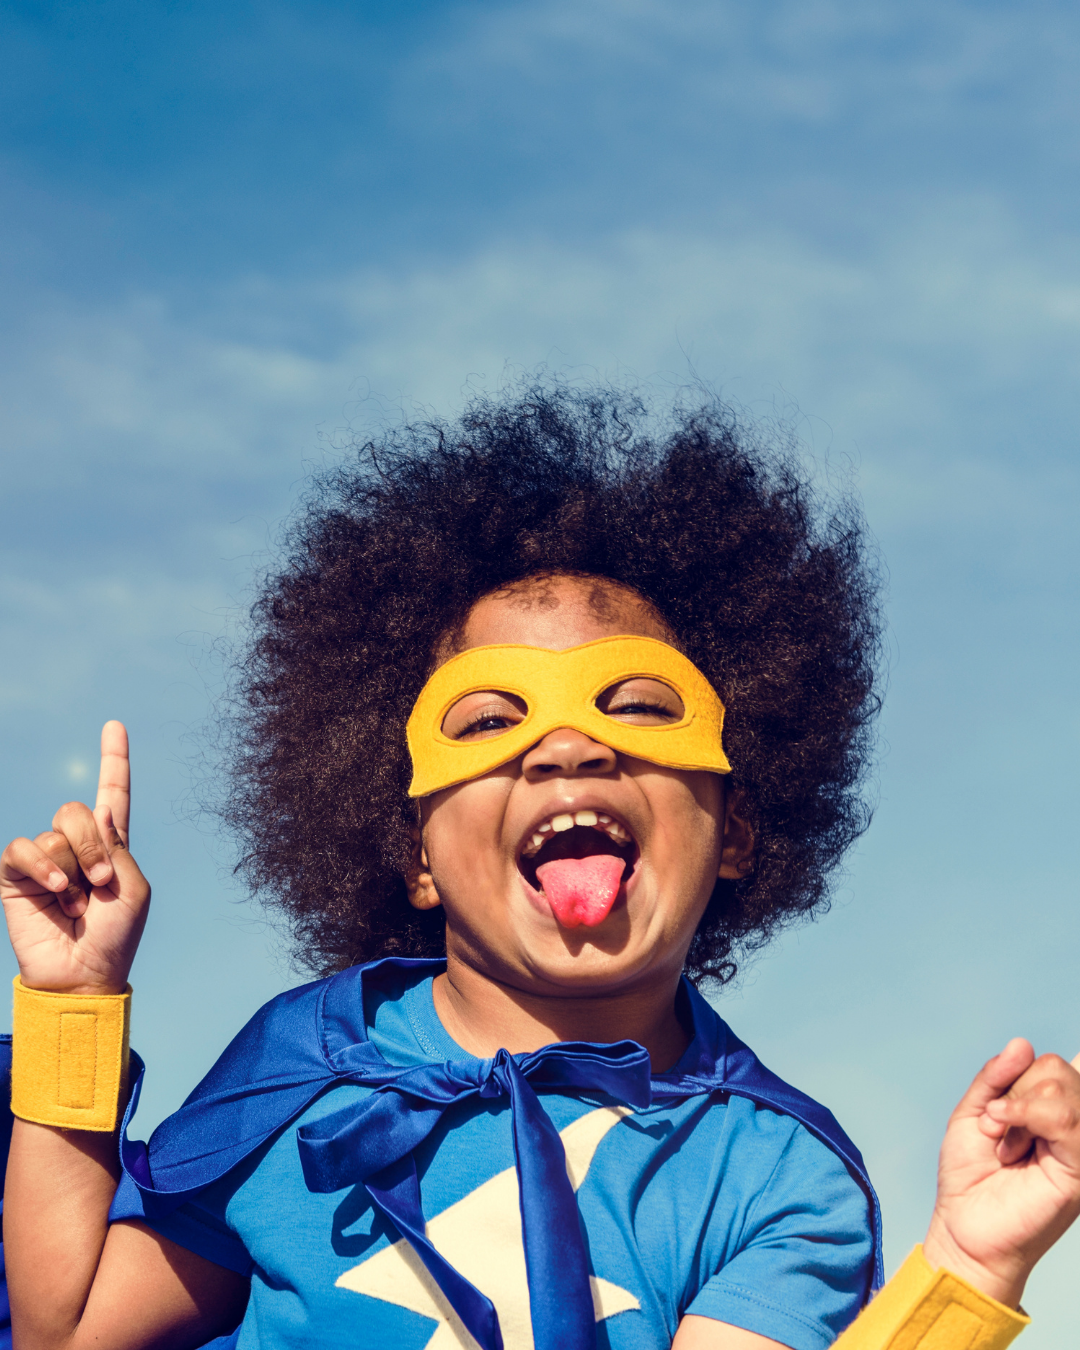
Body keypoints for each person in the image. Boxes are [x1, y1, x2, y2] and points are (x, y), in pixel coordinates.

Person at [2, 388, 1079, 1350]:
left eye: (642, 706)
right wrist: (72, 1003)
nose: (567, 748)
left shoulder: (779, 1179)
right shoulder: (302, 1062)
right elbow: (67, 1327)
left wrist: (969, 1273)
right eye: (487, 720)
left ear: (739, 832)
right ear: (417, 854)